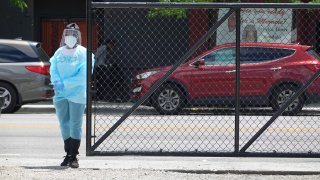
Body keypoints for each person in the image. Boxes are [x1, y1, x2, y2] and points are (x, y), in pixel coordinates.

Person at [49, 23, 94, 168]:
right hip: (60, 93)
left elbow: (84, 75)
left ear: (77, 36)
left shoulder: (84, 54)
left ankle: (74, 156)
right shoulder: (59, 52)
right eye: (67, 34)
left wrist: (65, 83)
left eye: (73, 35)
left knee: (75, 124)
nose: (70, 37)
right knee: (64, 123)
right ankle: (67, 153)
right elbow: (53, 68)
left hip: (77, 94)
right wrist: (56, 81)